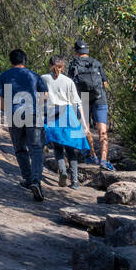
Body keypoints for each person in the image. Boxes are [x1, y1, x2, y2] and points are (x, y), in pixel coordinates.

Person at [0, 48, 49, 201]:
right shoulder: (33, 75)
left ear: (11, 61)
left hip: (14, 115)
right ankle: (36, 181)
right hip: (33, 114)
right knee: (37, 149)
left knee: (20, 149)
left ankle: (27, 179)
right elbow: (44, 95)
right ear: (25, 60)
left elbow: (0, 97)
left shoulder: (4, 75)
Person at [42, 55, 94, 188]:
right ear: (63, 67)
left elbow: (40, 99)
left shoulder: (44, 78)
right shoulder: (68, 81)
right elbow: (77, 103)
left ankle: (63, 172)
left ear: (50, 65)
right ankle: (75, 182)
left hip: (53, 114)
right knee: (71, 150)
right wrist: (84, 123)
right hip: (68, 114)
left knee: (58, 148)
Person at [68, 40, 114, 171]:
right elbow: (105, 83)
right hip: (100, 98)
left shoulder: (73, 64)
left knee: (85, 128)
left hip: (83, 98)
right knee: (102, 130)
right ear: (87, 50)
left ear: (76, 52)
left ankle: (92, 155)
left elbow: (70, 84)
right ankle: (104, 160)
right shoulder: (96, 63)